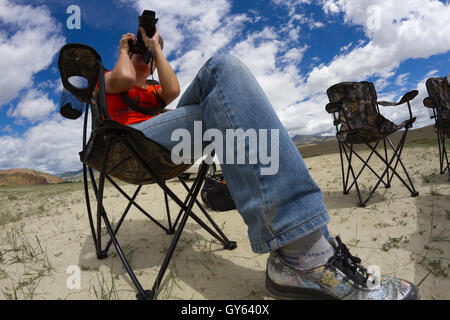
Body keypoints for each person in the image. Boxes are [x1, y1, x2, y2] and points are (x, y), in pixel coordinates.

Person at [104, 25, 419, 300]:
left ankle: (309, 246)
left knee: (222, 75)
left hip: (168, 141)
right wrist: (124, 50)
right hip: (126, 142)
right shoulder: (109, 77)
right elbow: (122, 77)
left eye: (144, 55)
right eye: (137, 53)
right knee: (222, 84)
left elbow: (172, 91)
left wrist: (154, 49)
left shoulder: (156, 87)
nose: (141, 57)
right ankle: (306, 255)